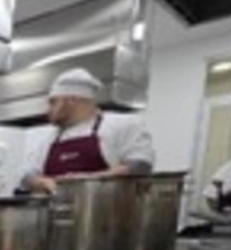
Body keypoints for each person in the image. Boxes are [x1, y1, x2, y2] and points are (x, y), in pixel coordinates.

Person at [20, 68, 156, 194]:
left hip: (108, 215)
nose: (48, 110)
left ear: (71, 100)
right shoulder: (49, 139)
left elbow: (140, 166)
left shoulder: (123, 125)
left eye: (53, 102)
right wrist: (41, 182)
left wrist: (86, 181)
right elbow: (27, 176)